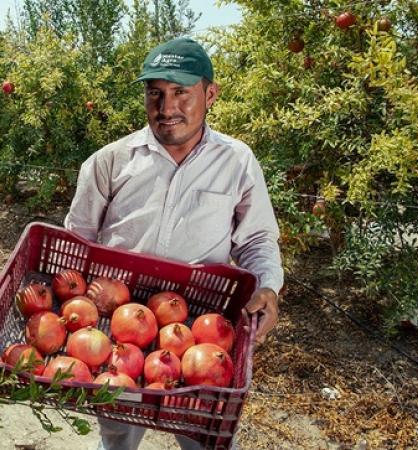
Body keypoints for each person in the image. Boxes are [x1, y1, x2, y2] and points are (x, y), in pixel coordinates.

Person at [63, 37, 284, 450]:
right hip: (117, 325)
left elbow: (256, 238)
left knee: (204, 436)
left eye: (181, 92)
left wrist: (268, 287)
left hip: (199, 327)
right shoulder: (109, 161)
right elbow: (79, 240)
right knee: (116, 432)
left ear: (210, 94)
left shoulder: (236, 161)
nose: (166, 108)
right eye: (156, 93)